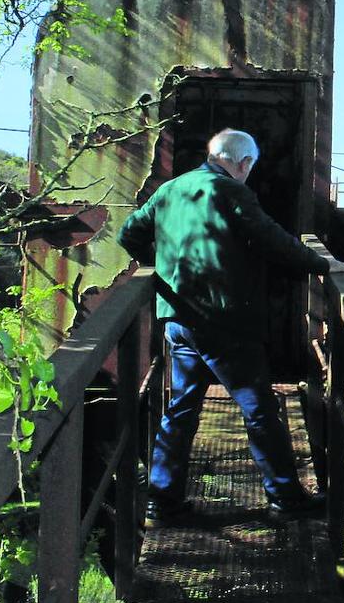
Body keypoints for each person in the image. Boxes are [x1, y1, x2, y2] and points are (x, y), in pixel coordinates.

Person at [118, 128, 332, 524]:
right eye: (250, 166)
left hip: (178, 321)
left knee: (180, 409)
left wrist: (163, 266)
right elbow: (272, 240)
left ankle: (161, 500)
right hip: (223, 324)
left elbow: (127, 233)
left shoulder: (171, 190)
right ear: (242, 162)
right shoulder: (231, 192)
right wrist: (324, 264)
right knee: (260, 410)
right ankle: (285, 496)